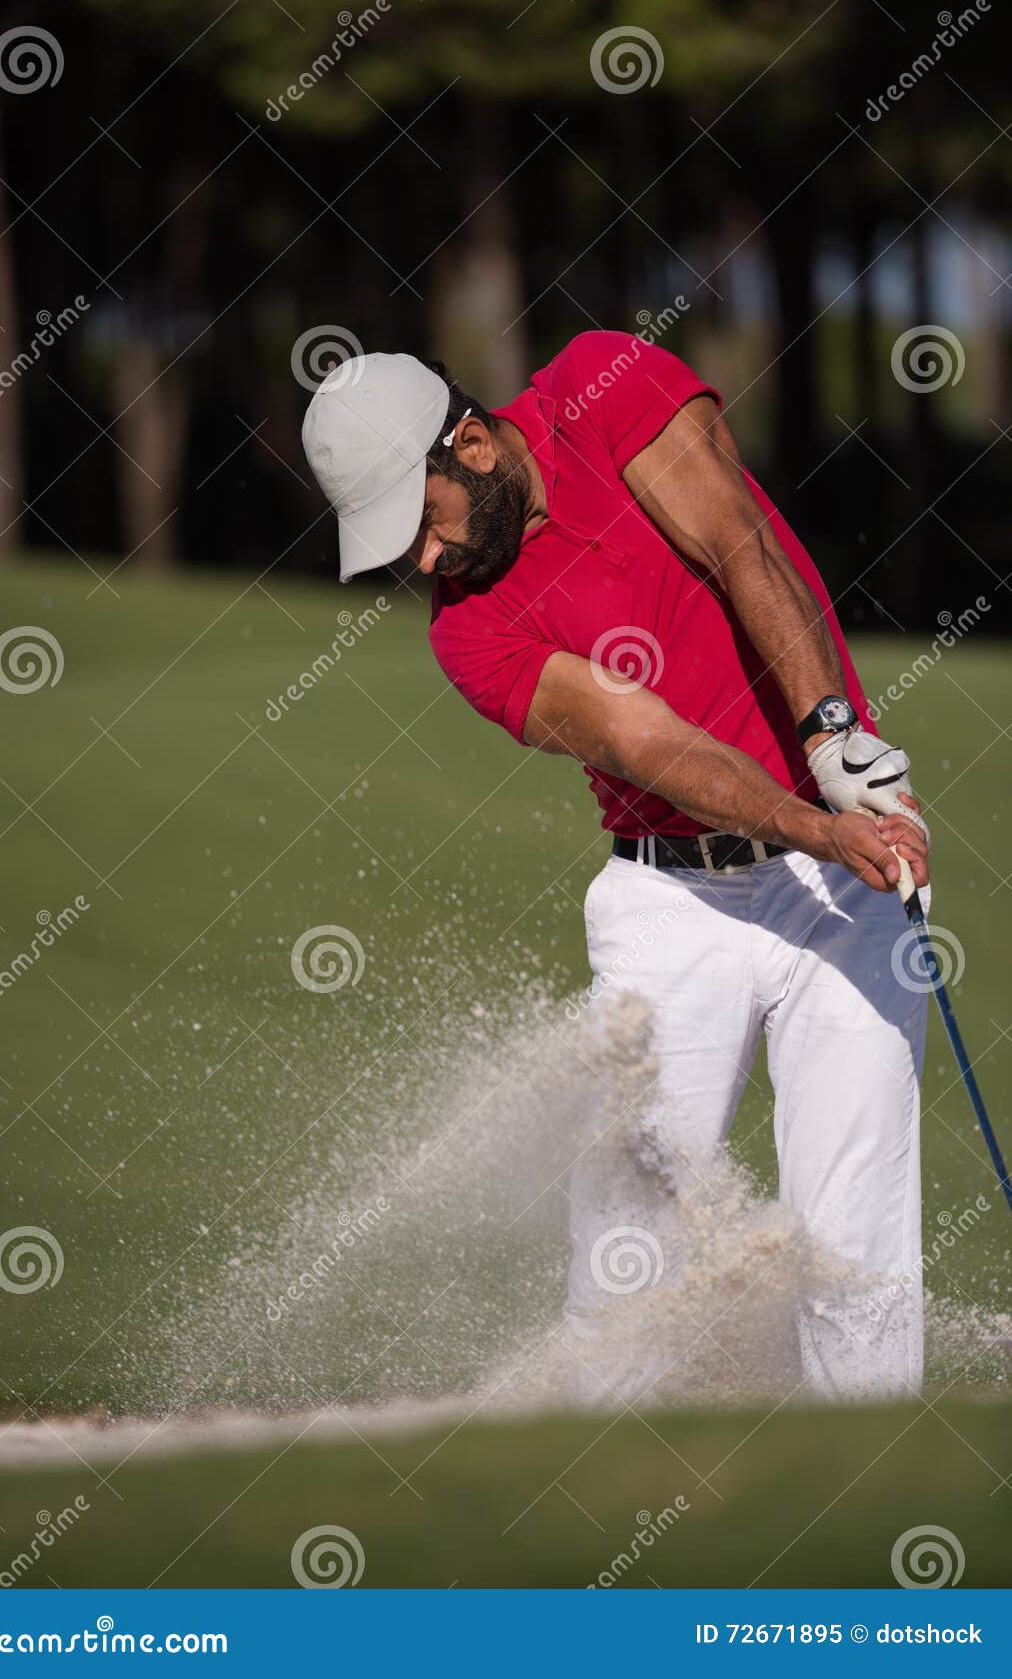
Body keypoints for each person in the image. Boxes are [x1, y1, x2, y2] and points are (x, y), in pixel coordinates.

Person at [301, 330, 931, 1402]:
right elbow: (648, 743)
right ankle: (611, 1519)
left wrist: (833, 741)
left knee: (855, 1238)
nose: (421, 563)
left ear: (471, 445)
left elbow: (741, 546)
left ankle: (866, 1524)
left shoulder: (605, 382)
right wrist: (811, 820)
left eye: (420, 524)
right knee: (624, 1259)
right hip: (672, 903)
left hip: (849, 883)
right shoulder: (469, 634)